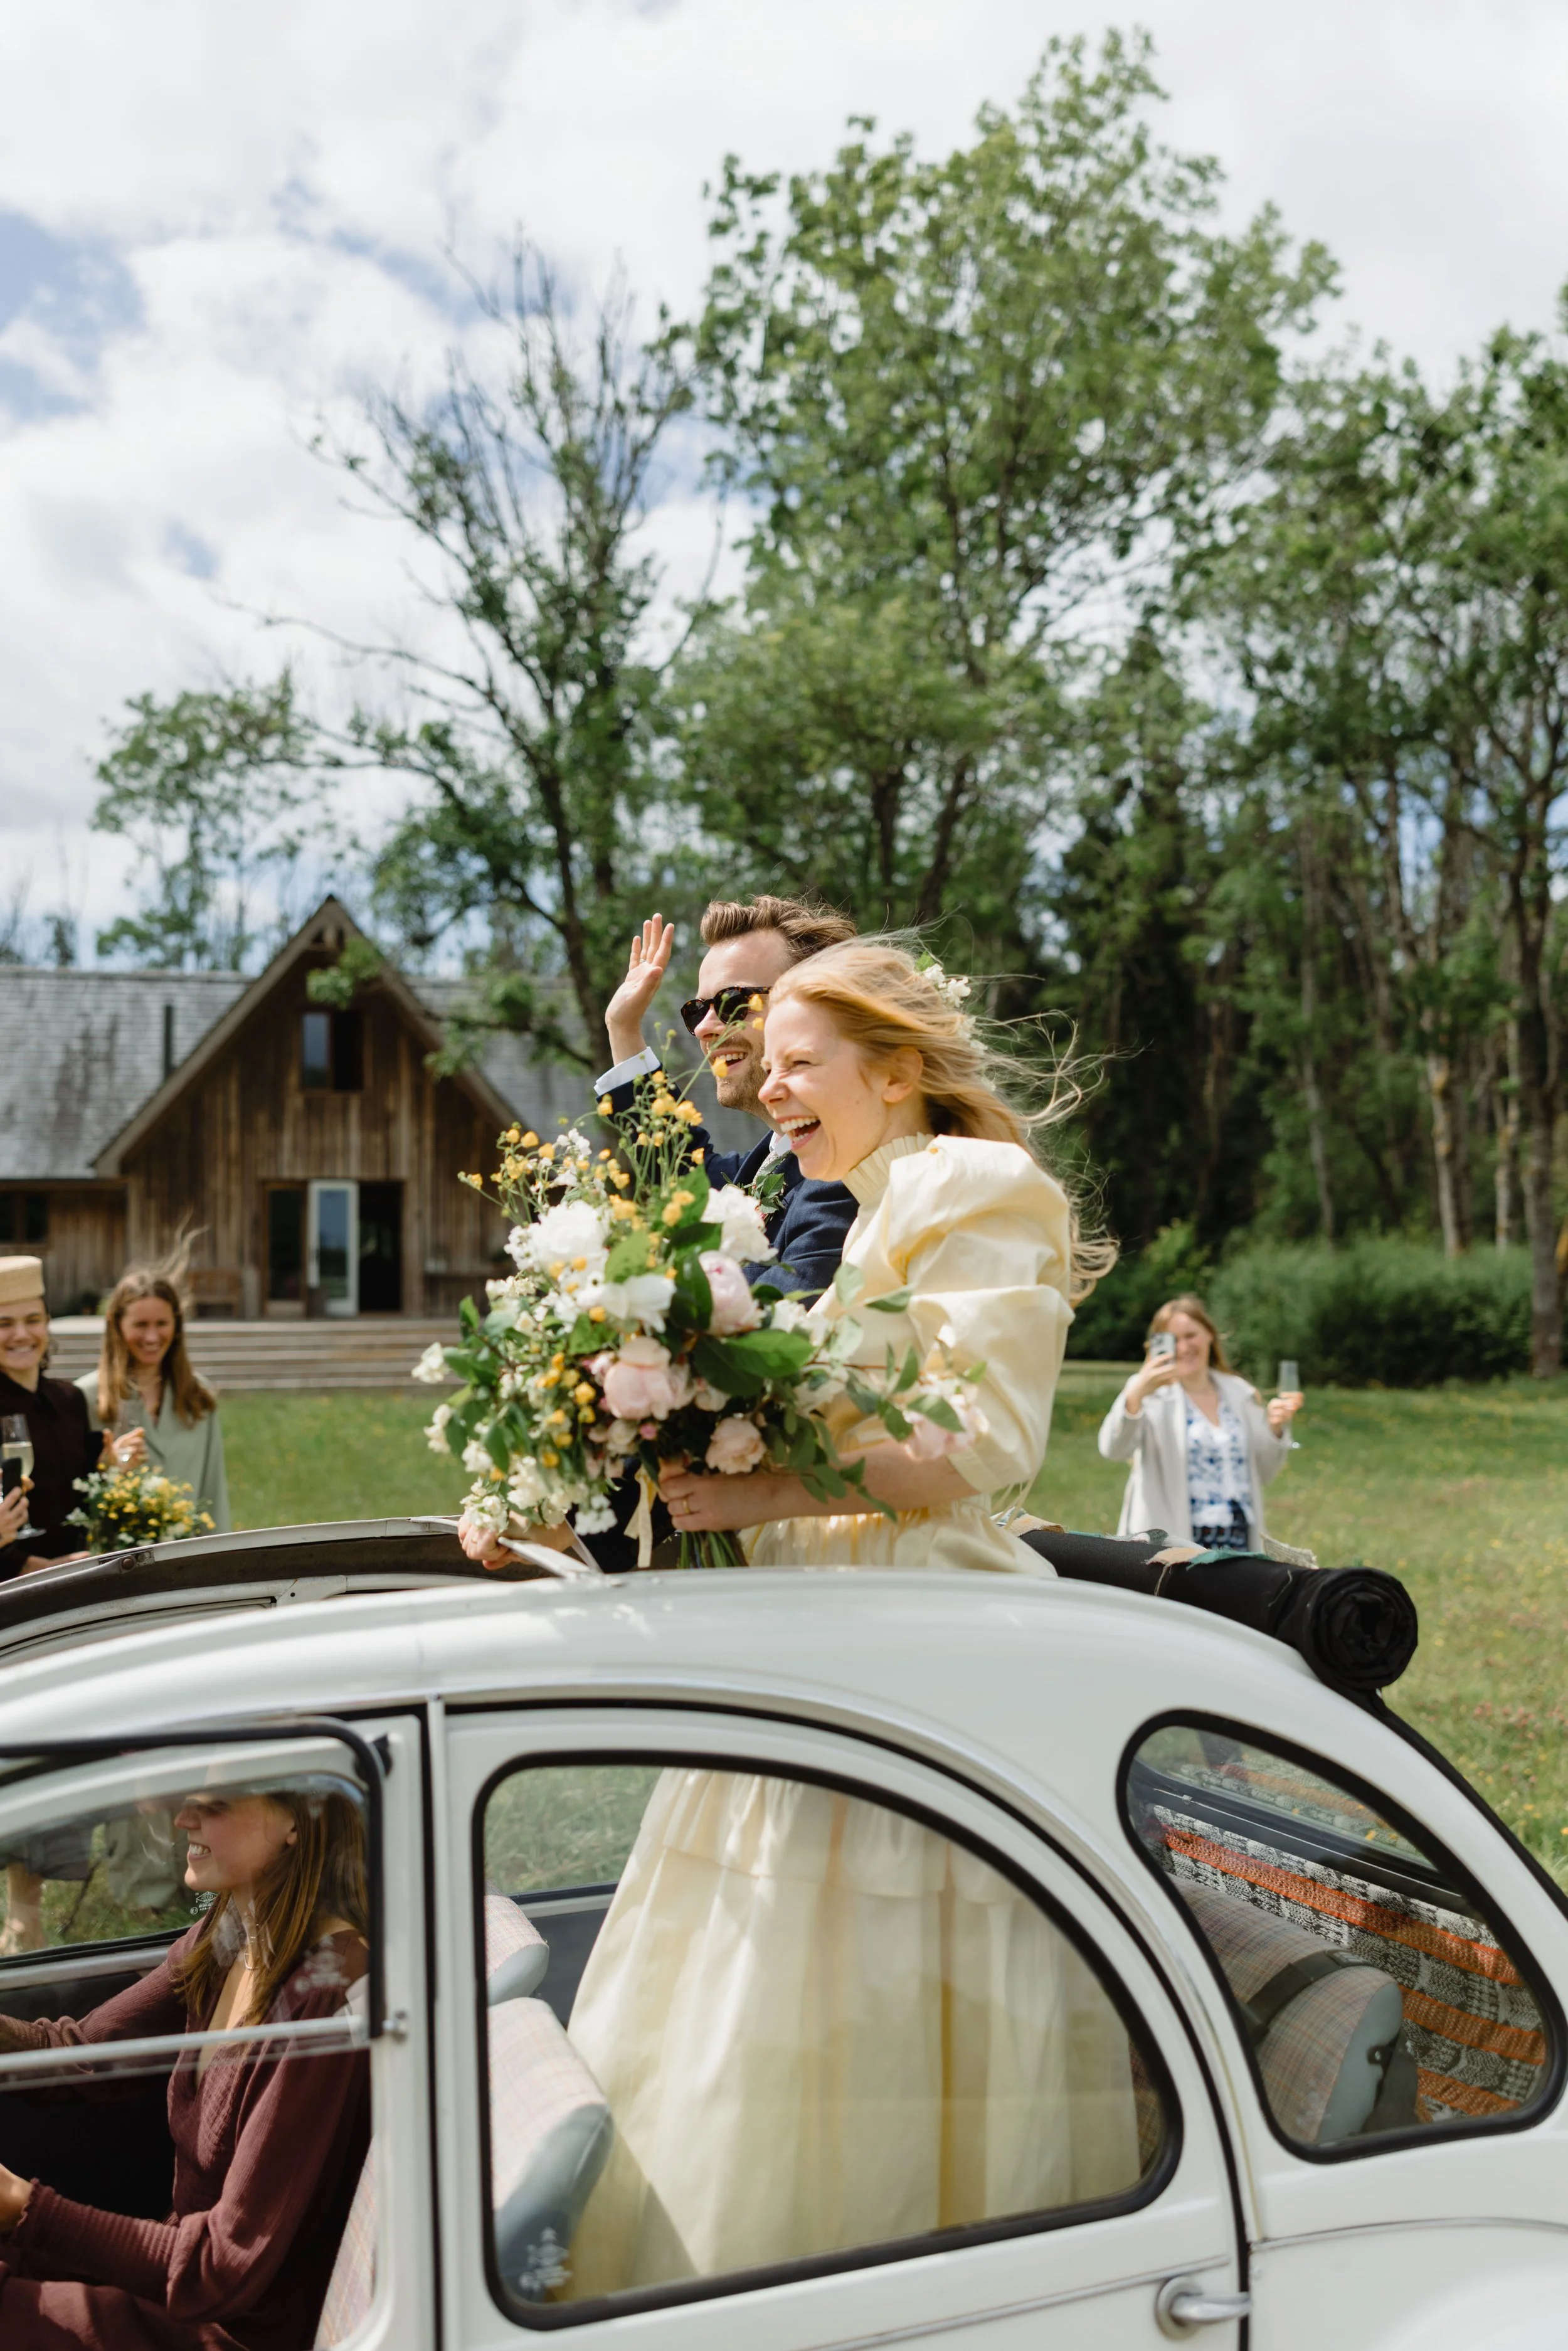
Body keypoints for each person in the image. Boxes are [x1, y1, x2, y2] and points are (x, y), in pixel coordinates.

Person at [561, 943, 1126, 2295]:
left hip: (916, 1626)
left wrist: (750, 1480)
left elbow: (977, 1441)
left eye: (803, 1063)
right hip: (810, 1611)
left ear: (895, 1067)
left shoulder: (975, 1186)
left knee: (866, 1988)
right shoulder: (852, 1202)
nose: (774, 1092)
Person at [0, 1780, 371, 2349]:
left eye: (215, 1802)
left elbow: (226, 2267)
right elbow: (84, 2055)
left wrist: (26, 2211)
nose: (183, 1820)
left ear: (299, 1819)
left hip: (228, 2328)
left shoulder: (323, 1998)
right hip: (177, 2280)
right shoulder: (230, 1934)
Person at [596, 898, 861, 1297]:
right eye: (696, 1010)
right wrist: (622, 1029)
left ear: (819, 1007)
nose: (705, 1027)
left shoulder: (845, 1169)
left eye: (734, 1002)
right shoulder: (762, 1169)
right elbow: (681, 1172)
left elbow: (776, 1331)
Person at [0, 1256, 142, 1955]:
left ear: (48, 1325)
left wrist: (111, 1473)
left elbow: (74, 1494)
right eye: (4, 1324)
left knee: (57, 1750)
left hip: (66, 1602)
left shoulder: (67, 1400)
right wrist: (27, 1562)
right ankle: (22, 1922)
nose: (20, 1334)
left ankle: (28, 1915)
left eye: (31, 1320)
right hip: (14, 1606)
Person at [1096, 1294, 1301, 1551]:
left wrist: (1274, 1428)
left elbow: (1265, 1472)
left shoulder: (1239, 1393)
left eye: (1191, 1336)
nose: (1183, 1348)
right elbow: (1113, 1449)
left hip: (1238, 1540)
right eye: (1173, 1340)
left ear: (1209, 1335)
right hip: (1172, 1542)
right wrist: (1136, 1395)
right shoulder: (1149, 1395)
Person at [77, 1270, 230, 1535]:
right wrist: (107, 1468)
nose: (152, 1337)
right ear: (117, 1325)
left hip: (190, 1561)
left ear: (177, 1325)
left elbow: (213, 1491)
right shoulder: (85, 1397)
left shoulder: (199, 1395)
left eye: (162, 1324)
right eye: (140, 1325)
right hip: (115, 1562)